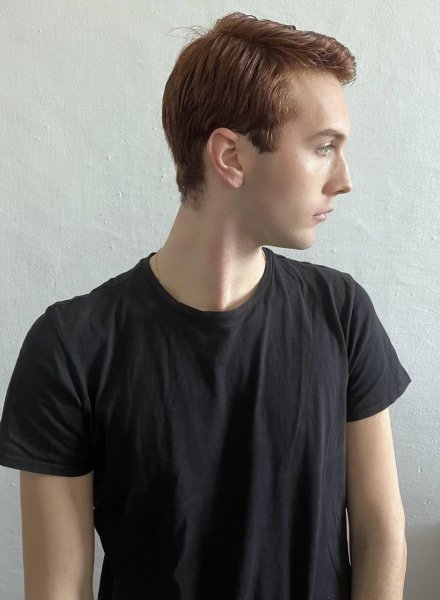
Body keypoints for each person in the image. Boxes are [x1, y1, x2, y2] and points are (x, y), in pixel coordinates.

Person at [0, 12, 411, 600]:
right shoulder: (72, 347)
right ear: (231, 157)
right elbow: (57, 589)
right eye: (324, 147)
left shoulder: (340, 313)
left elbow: (379, 530)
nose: (343, 179)